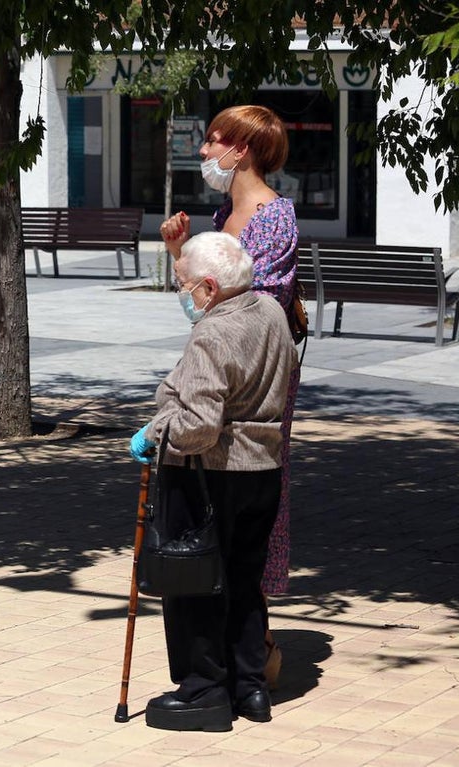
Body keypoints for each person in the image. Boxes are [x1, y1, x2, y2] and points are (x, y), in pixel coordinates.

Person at [129, 231, 296, 731]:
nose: (181, 293)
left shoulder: (212, 332)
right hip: (263, 470)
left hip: (213, 476)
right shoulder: (270, 311)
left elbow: (199, 427)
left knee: (193, 582)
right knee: (243, 581)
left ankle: (204, 691)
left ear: (208, 287)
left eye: (183, 284)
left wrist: (157, 430)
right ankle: (249, 688)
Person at [159, 104, 299, 685]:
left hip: (255, 381)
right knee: (214, 512)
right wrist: (179, 251)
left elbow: (246, 308)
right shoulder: (222, 213)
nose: (205, 151)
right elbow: (206, 299)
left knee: (245, 511)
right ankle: (230, 656)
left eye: (214, 141)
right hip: (219, 371)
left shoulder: (275, 217)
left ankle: (252, 653)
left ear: (242, 150)